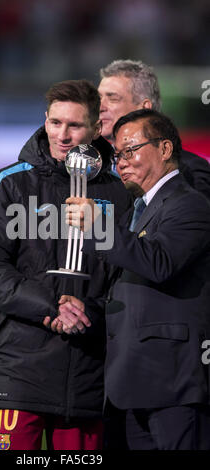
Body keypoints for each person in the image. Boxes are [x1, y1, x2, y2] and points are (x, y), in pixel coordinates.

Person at [0, 79, 132, 450]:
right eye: (55, 122)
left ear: (95, 128)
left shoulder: (118, 193)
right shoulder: (9, 184)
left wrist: (90, 312)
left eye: (75, 125)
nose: (63, 135)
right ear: (44, 120)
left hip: (90, 373)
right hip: (20, 370)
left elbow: (129, 275)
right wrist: (49, 307)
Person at [64, 108, 210, 450]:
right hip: (130, 387)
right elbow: (129, 287)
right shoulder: (137, 210)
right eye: (117, 154)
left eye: (130, 150)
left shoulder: (191, 205)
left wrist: (99, 226)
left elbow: (159, 263)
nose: (121, 162)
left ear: (165, 149)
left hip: (173, 387)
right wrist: (86, 309)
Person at [98, 59, 210, 199]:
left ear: (144, 108)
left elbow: (191, 217)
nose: (100, 107)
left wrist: (100, 220)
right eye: (98, 98)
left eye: (112, 98)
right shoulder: (94, 167)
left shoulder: (189, 170)